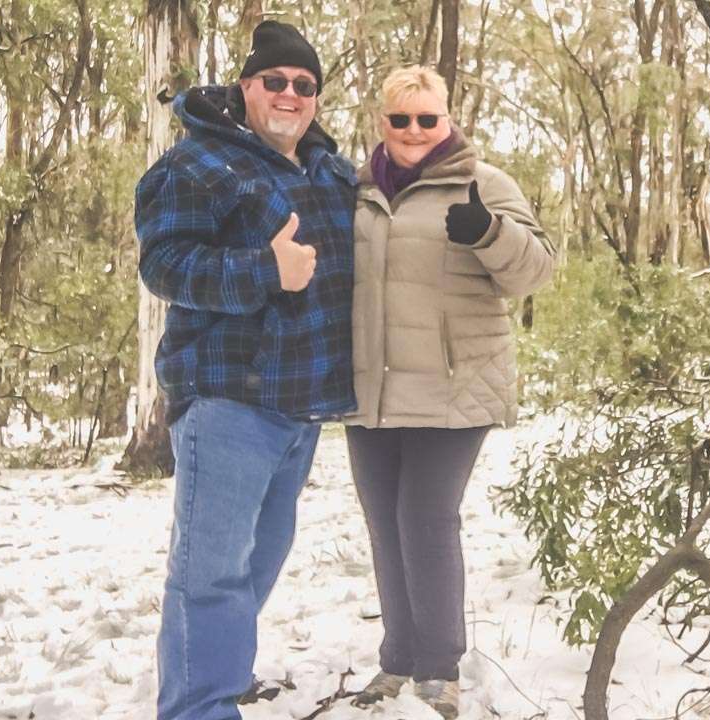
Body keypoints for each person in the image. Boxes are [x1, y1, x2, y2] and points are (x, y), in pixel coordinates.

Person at [133, 20, 357, 720]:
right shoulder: (196, 164)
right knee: (210, 572)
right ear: (246, 88)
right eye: (276, 81)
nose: (290, 94)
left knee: (257, 563)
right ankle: (198, 707)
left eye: (304, 85)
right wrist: (266, 269)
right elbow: (163, 265)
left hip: (298, 407)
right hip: (228, 399)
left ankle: (213, 676)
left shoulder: (328, 168)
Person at [344, 65, 555, 719]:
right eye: (400, 119)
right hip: (373, 390)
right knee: (385, 524)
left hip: (455, 386)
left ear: (448, 120)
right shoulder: (356, 191)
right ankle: (396, 661)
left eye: (427, 119)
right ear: (382, 122)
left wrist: (489, 233)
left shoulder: (483, 184)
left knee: (425, 520)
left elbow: (537, 272)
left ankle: (438, 670)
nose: (414, 131)